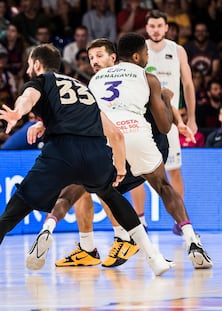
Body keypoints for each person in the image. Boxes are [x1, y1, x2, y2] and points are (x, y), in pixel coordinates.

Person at [0, 43, 174, 284]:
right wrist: (118, 167)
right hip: (95, 153)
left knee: (12, 213)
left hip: (61, 152)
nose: (27, 69)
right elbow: (115, 134)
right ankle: (154, 258)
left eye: (28, 65)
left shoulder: (40, 81)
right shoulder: (84, 88)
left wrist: (17, 112)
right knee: (111, 196)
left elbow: (28, 98)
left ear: (36, 64)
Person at [33, 37, 193, 269]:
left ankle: (123, 237)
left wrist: (180, 121)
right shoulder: (96, 82)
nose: (94, 62)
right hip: (125, 141)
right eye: (91, 58)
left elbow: (162, 109)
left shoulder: (137, 77)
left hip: (138, 139)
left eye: (99, 56)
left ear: (114, 57)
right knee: (86, 184)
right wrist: (46, 123)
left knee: (101, 184)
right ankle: (90, 247)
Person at [89, 33, 211, 270]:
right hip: (135, 134)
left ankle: (129, 240)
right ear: (137, 56)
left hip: (106, 141)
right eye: (146, 53)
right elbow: (165, 126)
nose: (147, 56)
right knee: (163, 186)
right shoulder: (147, 76)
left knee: (107, 192)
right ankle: (191, 240)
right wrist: (166, 99)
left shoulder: (95, 79)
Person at [145, 10, 198, 234]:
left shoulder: (177, 50)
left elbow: (187, 84)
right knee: (140, 174)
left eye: (160, 26)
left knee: (174, 170)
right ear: (146, 28)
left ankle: (180, 220)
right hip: (144, 119)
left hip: (171, 118)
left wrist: (192, 117)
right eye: (152, 26)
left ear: (167, 28)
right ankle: (140, 222)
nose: (156, 29)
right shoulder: (140, 48)